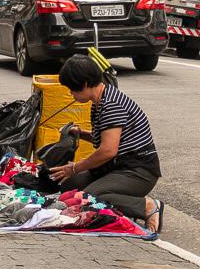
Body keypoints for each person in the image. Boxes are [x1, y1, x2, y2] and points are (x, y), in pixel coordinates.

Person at [49, 54, 164, 233]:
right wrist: (79, 134)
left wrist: (75, 167)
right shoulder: (99, 101)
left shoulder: (111, 104)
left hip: (138, 172)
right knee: (69, 185)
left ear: (85, 84)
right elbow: (104, 138)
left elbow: (108, 151)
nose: (71, 94)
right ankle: (121, 201)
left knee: (89, 197)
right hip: (116, 168)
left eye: (72, 89)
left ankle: (146, 206)